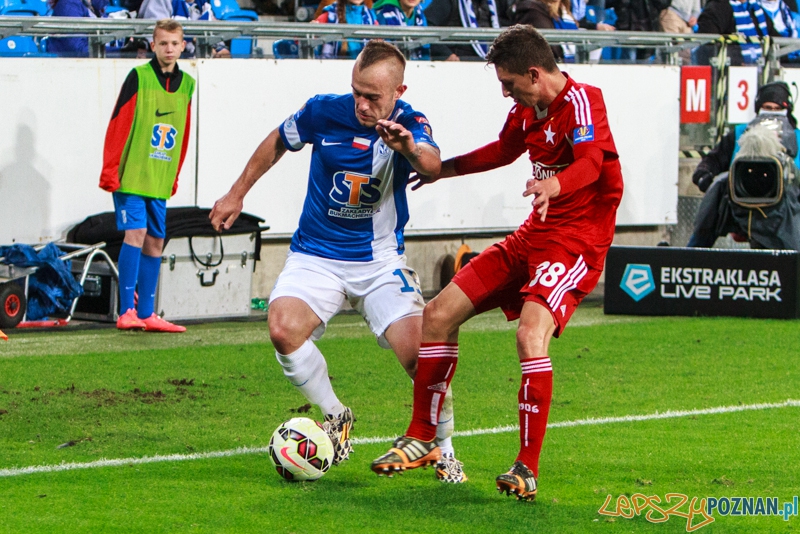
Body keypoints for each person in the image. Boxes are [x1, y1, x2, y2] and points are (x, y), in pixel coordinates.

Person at [371, 24, 624, 501]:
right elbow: (503, 152)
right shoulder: (527, 110)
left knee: (531, 335)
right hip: (533, 235)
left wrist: (556, 184)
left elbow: (592, 163)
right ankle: (422, 435)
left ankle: (526, 468)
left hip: (576, 243)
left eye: (508, 84)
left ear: (533, 73)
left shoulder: (585, 101)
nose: (506, 93)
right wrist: (443, 170)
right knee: (438, 314)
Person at [209, 40, 468, 483]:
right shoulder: (323, 111)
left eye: (374, 97)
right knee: (282, 328)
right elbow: (277, 140)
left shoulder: (411, 123)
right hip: (317, 254)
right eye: (357, 93)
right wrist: (237, 192)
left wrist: (407, 148)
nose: (362, 104)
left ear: (398, 92)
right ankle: (336, 417)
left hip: (380, 260)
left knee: (422, 356)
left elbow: (431, 164)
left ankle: (443, 449)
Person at [99, 19, 194, 333]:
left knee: (155, 242)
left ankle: (147, 312)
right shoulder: (138, 77)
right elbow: (119, 123)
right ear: (153, 45)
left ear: (183, 46)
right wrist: (110, 169)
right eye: (163, 43)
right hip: (132, 175)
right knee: (135, 235)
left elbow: (184, 133)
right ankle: (126, 311)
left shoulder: (189, 85)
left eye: (174, 43)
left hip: (159, 177)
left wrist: (175, 173)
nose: (169, 49)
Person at [688, 81, 800, 248]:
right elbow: (712, 162)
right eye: (767, 108)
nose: (772, 113)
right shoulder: (738, 134)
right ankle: (692, 256)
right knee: (720, 184)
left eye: (777, 109)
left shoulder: (798, 137)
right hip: (739, 205)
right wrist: (705, 177)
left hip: (785, 209)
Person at [424, 0, 510, 61]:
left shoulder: (495, 3)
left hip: (489, 63)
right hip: (459, 63)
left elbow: (508, 26)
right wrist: (446, 54)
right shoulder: (448, 2)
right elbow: (427, 26)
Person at [695, 0, 769, 65]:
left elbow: (773, 38)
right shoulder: (716, 8)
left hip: (759, 71)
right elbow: (708, 47)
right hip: (730, 74)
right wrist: (737, 62)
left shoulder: (755, 8)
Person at [314, 0, 378, 59]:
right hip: (333, 69)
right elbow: (312, 47)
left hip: (363, 69)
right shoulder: (328, 16)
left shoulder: (372, 19)